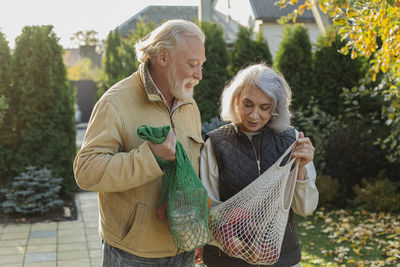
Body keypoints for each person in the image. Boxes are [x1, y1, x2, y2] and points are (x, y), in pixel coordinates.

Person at [73, 19, 206, 267]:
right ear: (163, 58)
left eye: (201, 65)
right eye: (191, 64)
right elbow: (86, 172)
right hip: (133, 252)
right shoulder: (115, 102)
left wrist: (198, 229)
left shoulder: (189, 103)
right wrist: (150, 158)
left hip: (183, 245)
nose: (198, 75)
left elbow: (193, 172)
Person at [197, 63, 319, 267]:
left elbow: (305, 208)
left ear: (276, 107)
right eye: (248, 104)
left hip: (281, 258)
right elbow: (209, 208)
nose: (254, 115)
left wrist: (301, 170)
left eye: (264, 108)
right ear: (236, 100)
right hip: (228, 259)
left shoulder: (292, 141)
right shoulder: (217, 144)